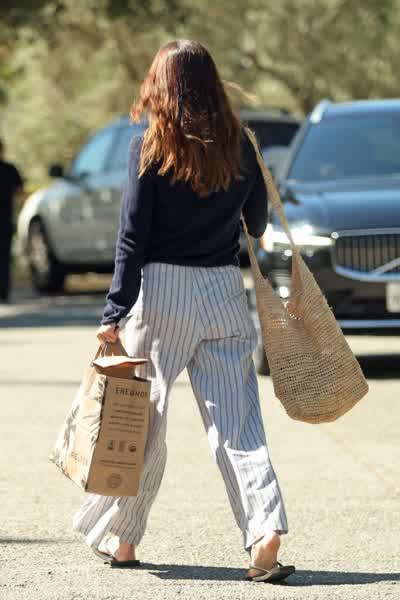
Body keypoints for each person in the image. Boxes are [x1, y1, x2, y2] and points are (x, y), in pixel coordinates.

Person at [72, 40, 295, 583]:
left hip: (162, 294)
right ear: (212, 85)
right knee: (239, 424)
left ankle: (124, 538)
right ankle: (264, 531)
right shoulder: (241, 146)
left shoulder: (148, 147)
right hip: (222, 291)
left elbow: (132, 238)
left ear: (162, 87)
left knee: (142, 420)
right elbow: (257, 225)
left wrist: (113, 311)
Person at [0, 138, 23, 302]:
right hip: (5, 220)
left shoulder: (10, 169)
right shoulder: (9, 169)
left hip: (5, 220)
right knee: (4, 258)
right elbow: (20, 191)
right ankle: (4, 291)